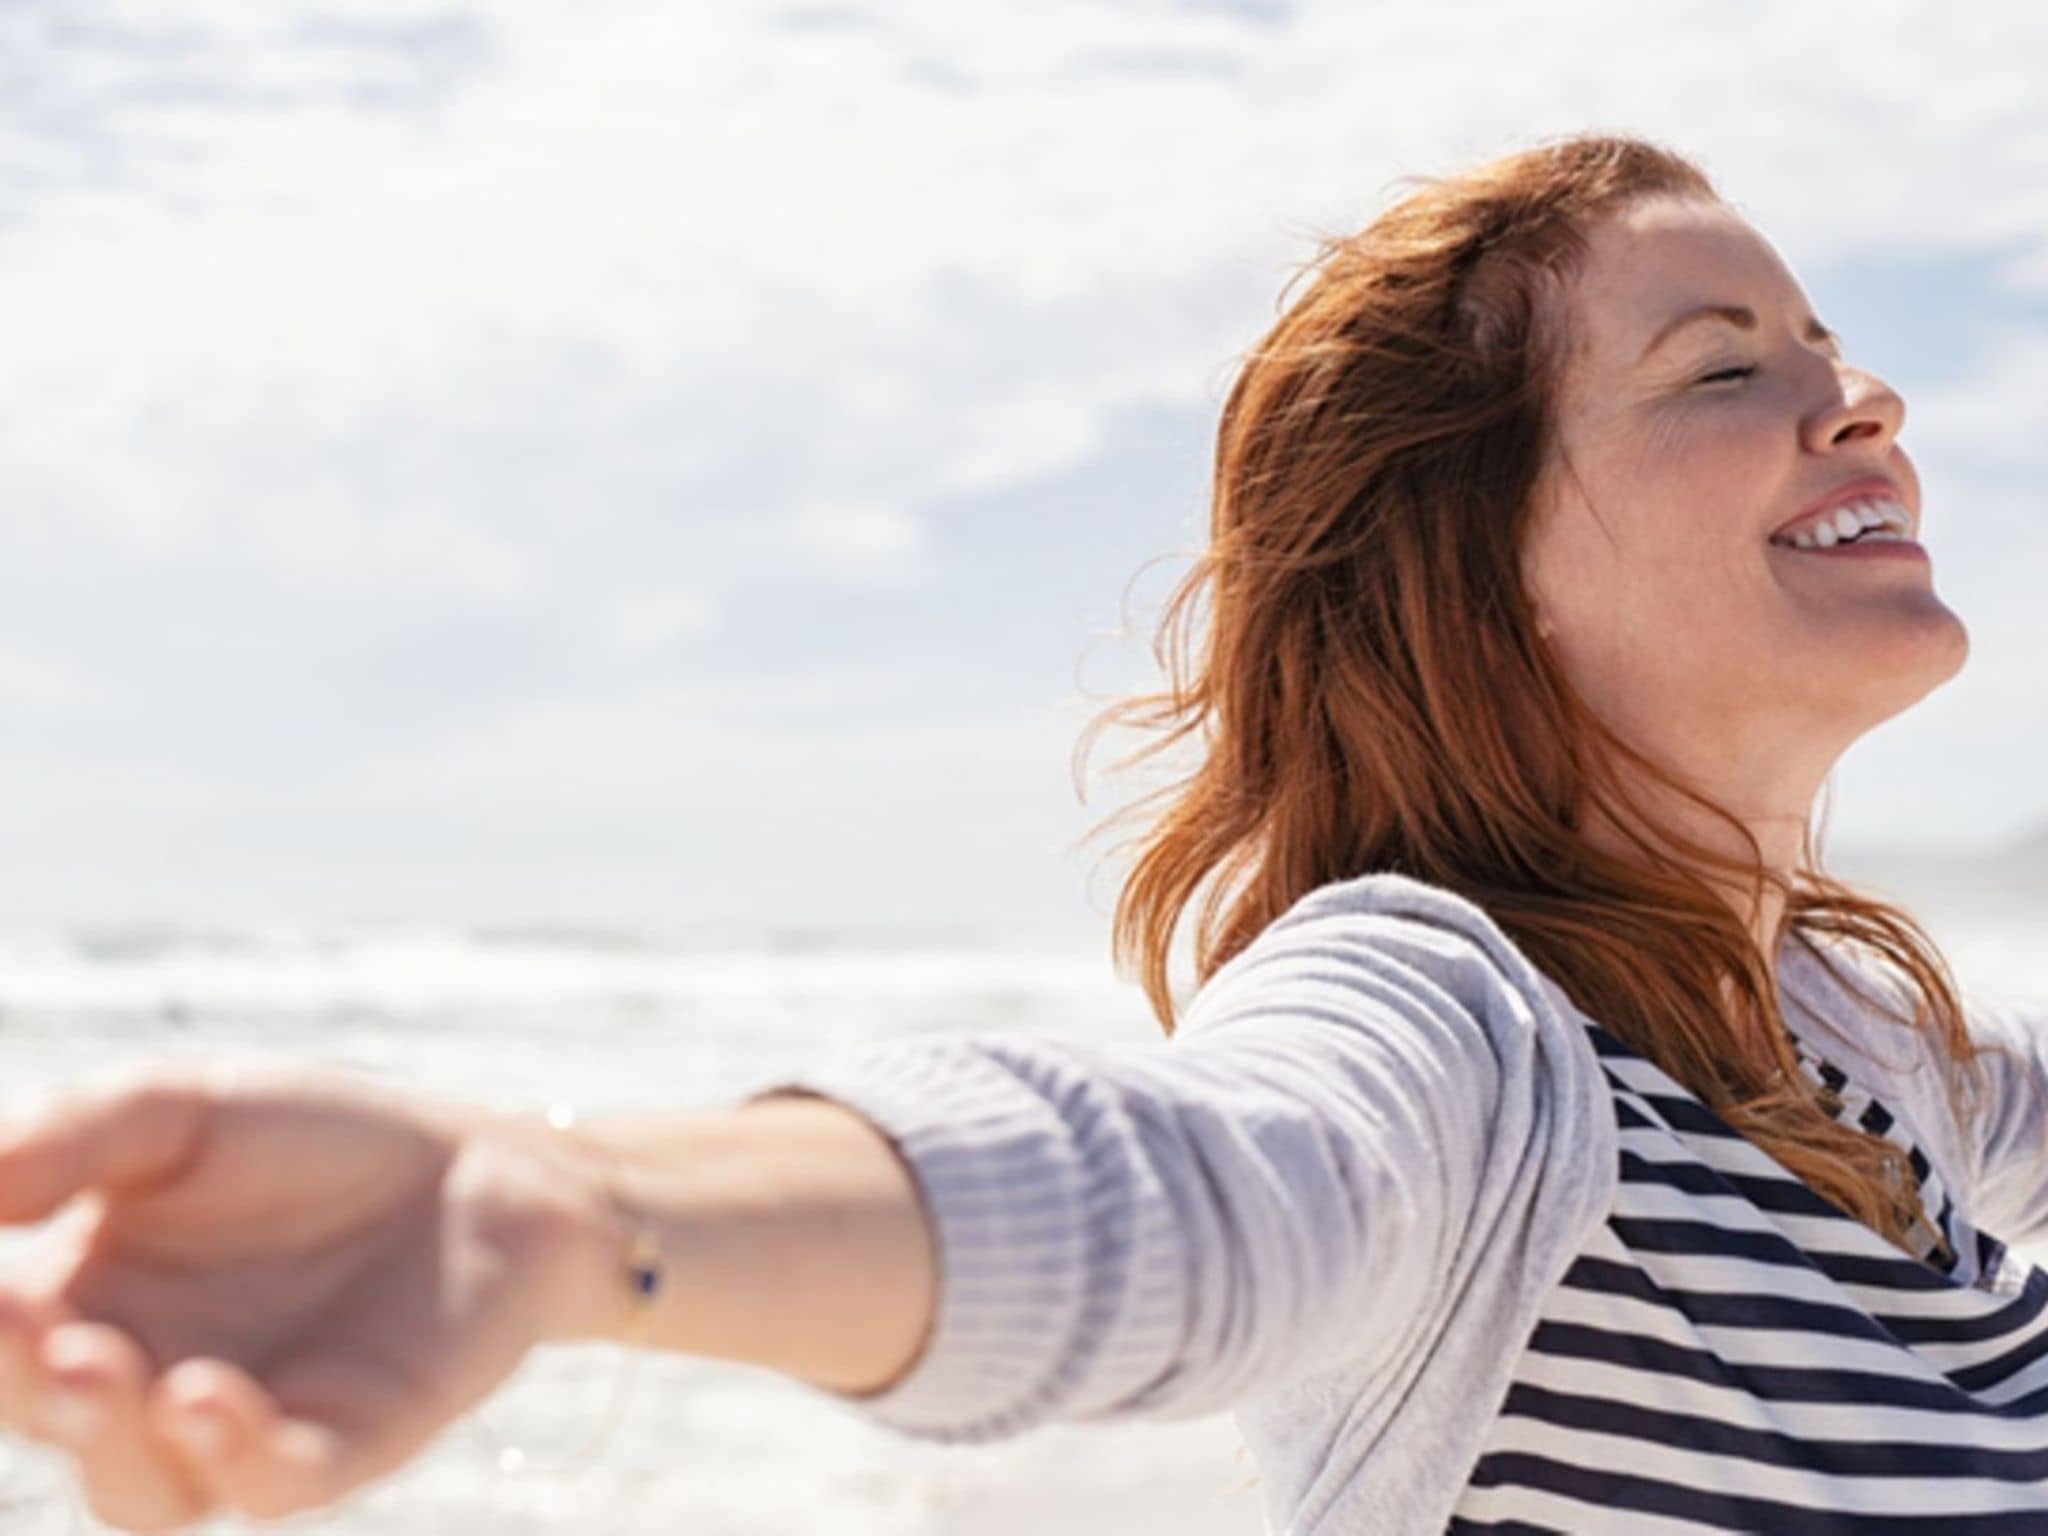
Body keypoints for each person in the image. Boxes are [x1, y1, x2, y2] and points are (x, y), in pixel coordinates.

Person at [0, 130, 2042, 1534]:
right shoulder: (1461, 1026)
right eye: (1719, 370)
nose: (1857, 402)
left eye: (1830, 351)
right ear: (1477, 576)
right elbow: (1191, 1191)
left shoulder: (1855, 1045)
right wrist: (568, 1211)